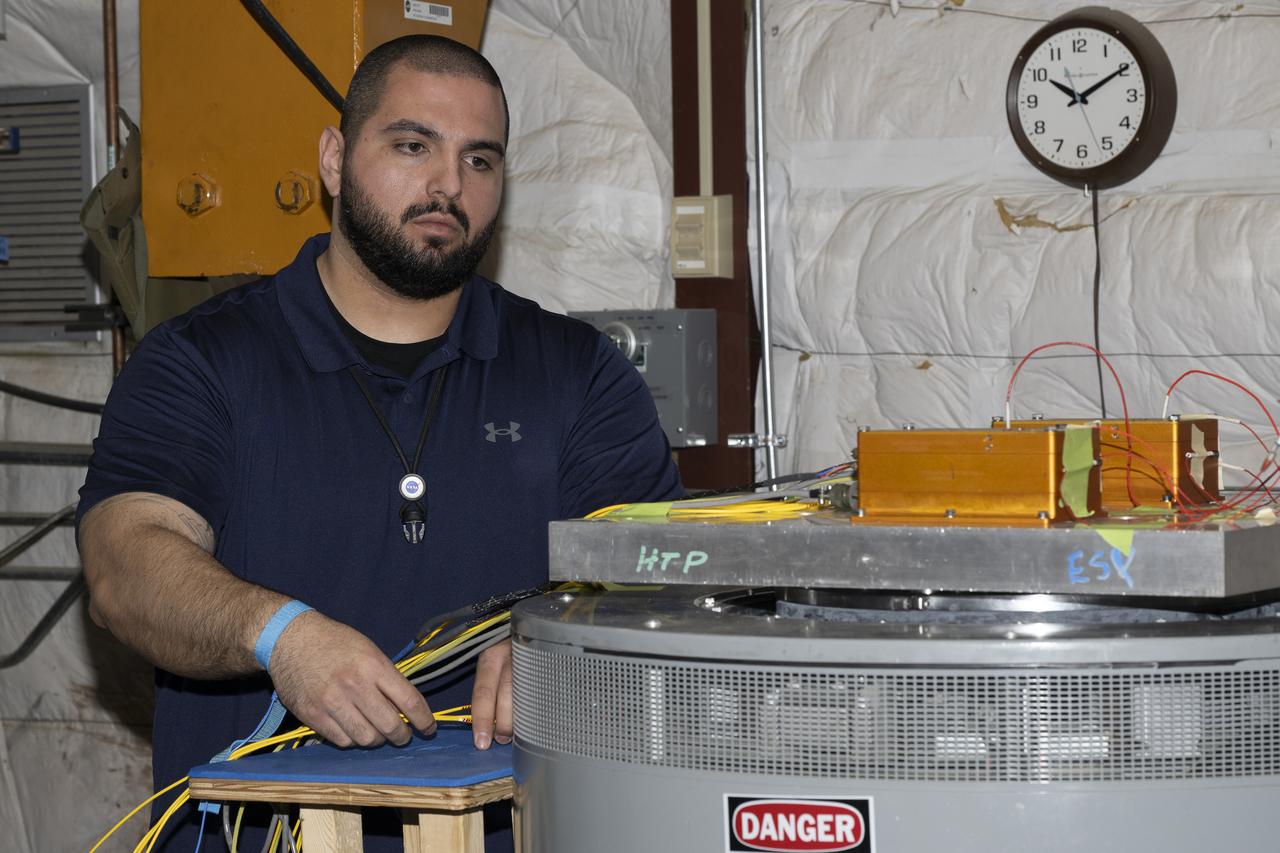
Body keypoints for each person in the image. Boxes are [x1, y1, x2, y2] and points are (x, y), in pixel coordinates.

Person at [77, 34, 682, 852]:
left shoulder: (576, 375)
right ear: (334, 159)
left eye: (480, 160)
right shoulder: (203, 362)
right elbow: (125, 561)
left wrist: (563, 630)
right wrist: (279, 634)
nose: (447, 185)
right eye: (412, 145)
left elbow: (665, 579)